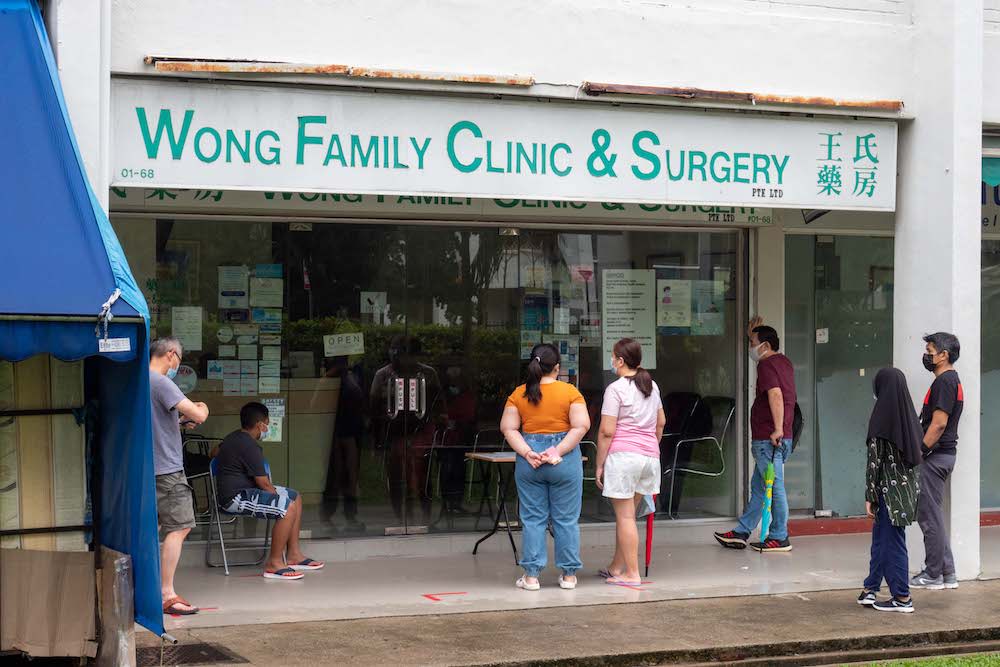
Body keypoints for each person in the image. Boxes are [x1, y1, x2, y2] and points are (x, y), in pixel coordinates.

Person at [501, 343, 590, 590]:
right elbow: (581, 426)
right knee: (566, 519)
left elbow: (508, 428)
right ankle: (569, 576)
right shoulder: (570, 392)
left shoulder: (518, 393)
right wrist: (556, 451)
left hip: (530, 462)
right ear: (557, 368)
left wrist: (528, 452)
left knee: (532, 519)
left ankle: (531, 577)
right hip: (564, 460)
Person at [714, 316, 797, 552]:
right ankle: (742, 532)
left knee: (774, 486)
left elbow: (775, 394)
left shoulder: (766, 365)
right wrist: (752, 332)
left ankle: (779, 536)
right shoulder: (784, 362)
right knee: (760, 487)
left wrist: (777, 428)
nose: (750, 347)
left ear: (765, 346)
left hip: (769, 438)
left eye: (752, 343)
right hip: (780, 436)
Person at [215, 402, 324, 580]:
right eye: (267, 423)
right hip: (235, 498)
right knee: (287, 508)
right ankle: (274, 564)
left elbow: (213, 452)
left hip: (246, 491)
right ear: (260, 425)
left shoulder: (233, 437)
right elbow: (264, 484)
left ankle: (294, 554)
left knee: (295, 497)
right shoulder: (250, 446)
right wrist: (281, 503)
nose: (267, 428)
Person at [595, 339, 665, 585]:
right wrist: (650, 446)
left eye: (613, 356)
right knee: (628, 517)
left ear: (620, 360)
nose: (611, 360)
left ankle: (632, 574)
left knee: (625, 517)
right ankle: (617, 567)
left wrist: (600, 464)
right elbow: (661, 423)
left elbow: (606, 431)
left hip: (624, 458)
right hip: (649, 458)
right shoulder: (652, 386)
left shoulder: (615, 389)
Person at [149, 336, 209, 615]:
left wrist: (180, 421)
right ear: (171, 354)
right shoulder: (161, 382)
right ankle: (167, 594)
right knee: (180, 526)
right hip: (167, 470)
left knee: (153, 530)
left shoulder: (139, 380)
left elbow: (160, 420)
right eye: (179, 359)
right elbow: (198, 414)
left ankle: (148, 589)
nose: (177, 366)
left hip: (147, 468)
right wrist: (202, 408)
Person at [858, 368, 922, 614]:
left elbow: (874, 463)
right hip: (906, 494)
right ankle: (870, 588)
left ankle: (902, 597)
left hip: (888, 493)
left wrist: (870, 496)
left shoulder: (881, 419)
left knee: (892, 543)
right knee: (882, 539)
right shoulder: (910, 418)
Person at [910, 332, 964, 591]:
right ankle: (947, 573)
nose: (926, 355)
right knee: (934, 516)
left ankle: (933, 574)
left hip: (935, 457)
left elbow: (939, 423)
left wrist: (919, 451)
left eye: (930, 351)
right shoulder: (950, 380)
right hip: (942, 456)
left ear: (944, 355)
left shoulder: (945, 382)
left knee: (929, 517)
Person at [322, 356, 366, 533]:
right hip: (335, 434)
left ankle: (348, 516)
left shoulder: (350, 380)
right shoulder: (333, 381)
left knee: (348, 477)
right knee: (335, 477)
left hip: (347, 434)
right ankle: (329, 517)